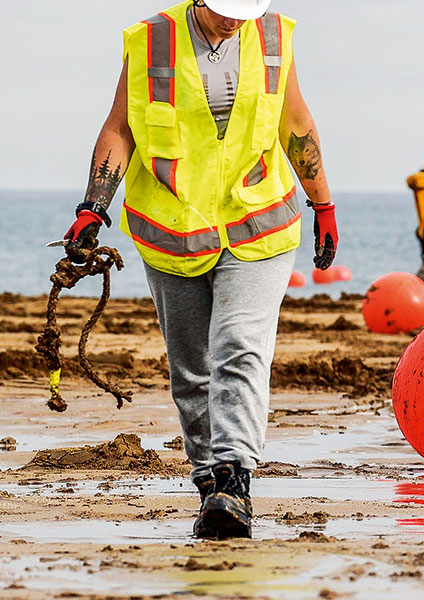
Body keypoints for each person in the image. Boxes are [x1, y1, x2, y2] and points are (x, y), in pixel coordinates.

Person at [62, 0, 338, 538]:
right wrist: (94, 205)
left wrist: (322, 203)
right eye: (224, 10)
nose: (236, 19)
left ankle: (235, 479)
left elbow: (295, 119)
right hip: (173, 228)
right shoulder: (150, 40)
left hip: (258, 222)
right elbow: (121, 128)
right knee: (191, 371)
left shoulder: (275, 34)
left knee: (239, 345)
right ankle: (209, 481)